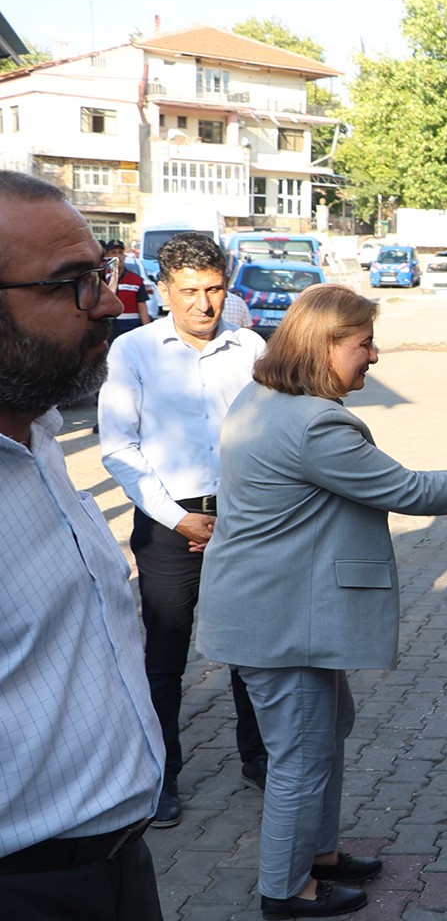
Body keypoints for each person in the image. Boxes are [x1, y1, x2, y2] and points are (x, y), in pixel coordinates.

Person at [196, 283, 447, 919]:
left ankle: (319, 854)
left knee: (327, 732)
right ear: (324, 346)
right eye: (364, 345)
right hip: (283, 622)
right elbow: (404, 489)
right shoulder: (314, 424)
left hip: (278, 614)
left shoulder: (268, 398)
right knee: (302, 756)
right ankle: (285, 888)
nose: (375, 357)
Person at [0, 170, 165, 919]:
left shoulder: (40, 438)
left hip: (119, 866)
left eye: (101, 272)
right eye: (73, 282)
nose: (108, 302)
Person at [98, 232, 268, 827]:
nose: (204, 304)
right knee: (164, 659)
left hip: (244, 521)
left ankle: (259, 759)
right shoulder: (134, 351)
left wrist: (238, 517)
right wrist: (179, 518)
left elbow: (272, 435)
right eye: (190, 291)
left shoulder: (250, 347)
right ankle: (162, 776)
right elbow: (119, 449)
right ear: (164, 290)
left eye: (215, 289)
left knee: (251, 650)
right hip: (169, 524)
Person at [107, 238, 152, 334]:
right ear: (107, 256)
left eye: (120, 253)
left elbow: (142, 307)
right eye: (113, 253)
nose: (117, 256)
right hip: (108, 330)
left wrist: (148, 332)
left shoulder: (136, 280)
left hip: (130, 328)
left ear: (124, 256)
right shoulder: (101, 279)